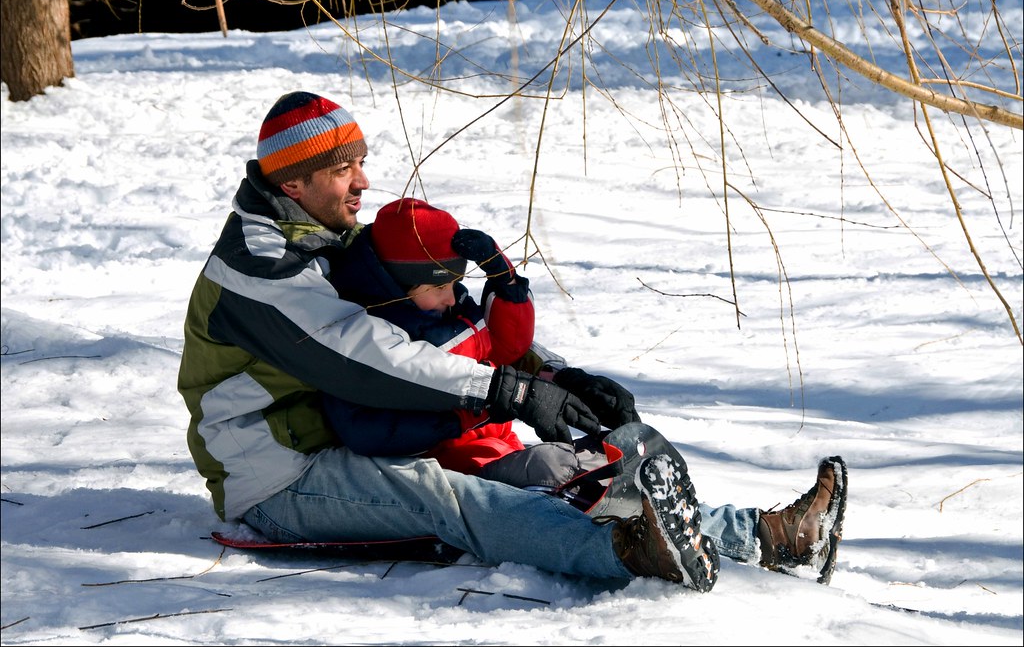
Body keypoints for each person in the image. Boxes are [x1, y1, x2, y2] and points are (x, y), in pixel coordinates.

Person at [177, 90, 848, 594]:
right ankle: (627, 555)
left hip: (364, 435)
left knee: (550, 472)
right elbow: (363, 359)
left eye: (362, 162)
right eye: (344, 169)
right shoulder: (259, 269)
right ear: (293, 183)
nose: (364, 182)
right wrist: (507, 392)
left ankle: (774, 536)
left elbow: (451, 319)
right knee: (449, 498)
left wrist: (551, 373)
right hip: (278, 479)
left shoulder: (335, 235)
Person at [322, 195, 609, 491]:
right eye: (438, 286)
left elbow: (506, 348)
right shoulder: (370, 333)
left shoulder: (446, 304)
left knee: (575, 461)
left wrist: (505, 282)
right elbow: (364, 428)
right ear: (398, 284)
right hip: (440, 466)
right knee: (553, 467)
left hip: (495, 442)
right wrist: (471, 412)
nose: (450, 295)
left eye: (454, 282)